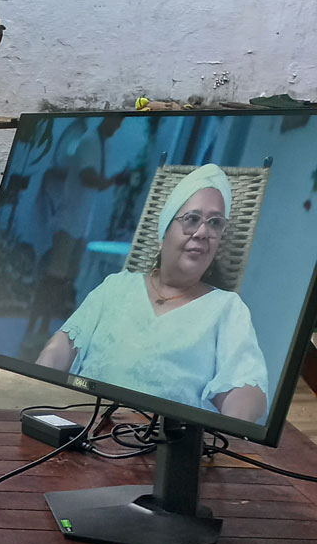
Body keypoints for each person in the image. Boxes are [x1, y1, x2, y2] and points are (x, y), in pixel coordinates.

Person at [36, 163, 269, 422]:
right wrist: (37, 403)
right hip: (83, 427)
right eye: (192, 219)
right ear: (162, 234)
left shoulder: (227, 308)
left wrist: (229, 425)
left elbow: (246, 388)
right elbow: (61, 348)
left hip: (163, 448)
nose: (203, 233)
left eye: (215, 223)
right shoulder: (116, 287)